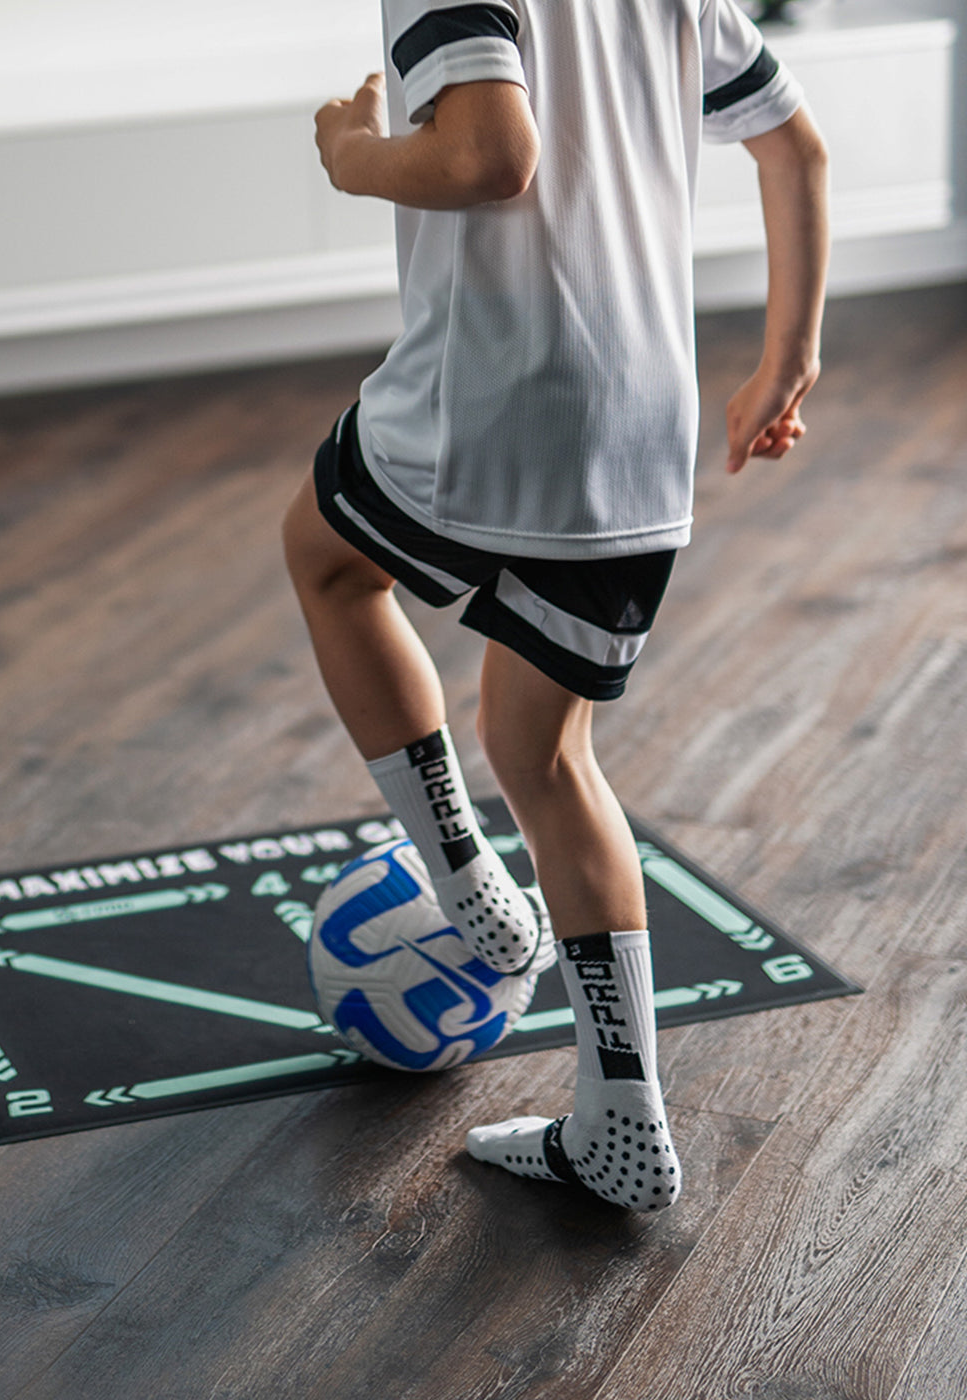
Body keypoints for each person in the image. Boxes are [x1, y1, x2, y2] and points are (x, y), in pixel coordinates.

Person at [283, 0, 829, 1210]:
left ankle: (461, 870)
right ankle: (621, 1124)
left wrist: (349, 157)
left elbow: (488, 155)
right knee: (547, 753)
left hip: (487, 401)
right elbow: (792, 144)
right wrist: (787, 353)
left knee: (324, 558)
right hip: (643, 422)